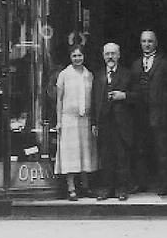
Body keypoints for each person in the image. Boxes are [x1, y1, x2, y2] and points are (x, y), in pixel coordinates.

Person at [92, 41, 138, 201]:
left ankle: (122, 189)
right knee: (105, 156)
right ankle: (106, 189)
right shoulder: (97, 76)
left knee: (122, 156)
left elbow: (139, 96)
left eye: (113, 54)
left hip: (122, 123)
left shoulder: (127, 74)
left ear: (119, 55)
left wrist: (124, 96)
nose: (110, 57)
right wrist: (94, 123)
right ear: (103, 56)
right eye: (107, 54)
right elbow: (93, 100)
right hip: (104, 123)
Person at [131, 30, 167, 195]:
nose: (147, 44)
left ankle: (164, 184)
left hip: (159, 114)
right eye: (144, 41)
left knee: (161, 150)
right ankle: (141, 183)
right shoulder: (135, 64)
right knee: (141, 149)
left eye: (150, 41)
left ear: (156, 43)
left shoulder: (165, 63)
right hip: (141, 114)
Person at [54, 44, 98, 200]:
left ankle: (85, 187)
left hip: (85, 119)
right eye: (74, 56)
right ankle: (71, 188)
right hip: (69, 119)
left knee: (85, 153)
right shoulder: (64, 74)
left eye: (80, 56)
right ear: (70, 57)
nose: (77, 59)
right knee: (70, 154)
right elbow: (59, 99)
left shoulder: (89, 75)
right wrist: (59, 121)